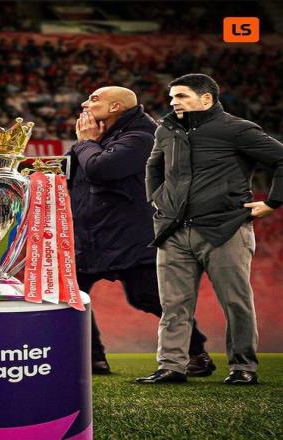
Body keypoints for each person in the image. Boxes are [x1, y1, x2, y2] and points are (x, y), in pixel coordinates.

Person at [137, 74, 283, 385]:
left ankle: (243, 367)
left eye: (182, 96)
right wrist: (157, 200)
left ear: (206, 99)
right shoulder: (166, 129)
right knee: (173, 305)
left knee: (236, 303)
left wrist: (273, 202)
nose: (174, 102)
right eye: (172, 97)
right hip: (173, 231)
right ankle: (171, 367)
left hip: (225, 229)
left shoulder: (237, 129)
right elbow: (153, 166)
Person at [68, 86, 214, 375]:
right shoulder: (99, 137)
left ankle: (196, 353)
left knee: (146, 296)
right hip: (90, 235)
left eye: (93, 99)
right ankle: (92, 359)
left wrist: (85, 143)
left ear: (115, 107)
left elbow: (101, 169)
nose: (84, 104)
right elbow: (69, 175)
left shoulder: (145, 137)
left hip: (132, 238)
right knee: (71, 294)